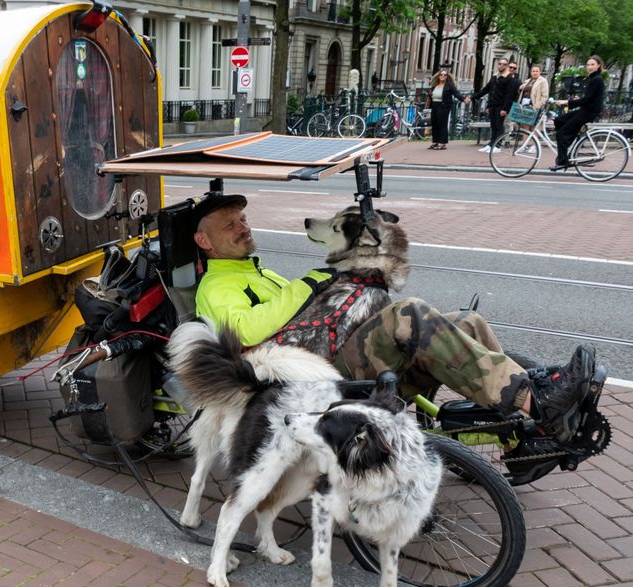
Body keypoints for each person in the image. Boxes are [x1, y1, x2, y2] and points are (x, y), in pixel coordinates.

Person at [189, 193, 598, 444]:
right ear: (203, 241)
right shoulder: (215, 288)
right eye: (229, 226)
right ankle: (536, 401)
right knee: (409, 314)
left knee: (465, 323)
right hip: (304, 380)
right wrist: (310, 284)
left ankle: (521, 430)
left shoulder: (255, 270)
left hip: (328, 352)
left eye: (242, 219)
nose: (243, 228)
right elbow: (243, 332)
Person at [551, 56, 606, 171]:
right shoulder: (593, 78)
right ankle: (570, 141)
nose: (589, 67)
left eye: (592, 64)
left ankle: (562, 162)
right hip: (586, 109)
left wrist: (567, 102)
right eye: (588, 65)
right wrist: (578, 99)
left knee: (561, 134)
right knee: (559, 120)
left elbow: (587, 100)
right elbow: (588, 98)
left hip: (589, 111)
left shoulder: (597, 80)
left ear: (598, 66)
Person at [473, 59, 521, 153]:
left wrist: (505, 109)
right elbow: (486, 90)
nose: (501, 66)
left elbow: (509, 95)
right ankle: (491, 144)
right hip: (493, 105)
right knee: (493, 125)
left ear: (506, 66)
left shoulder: (510, 78)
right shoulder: (495, 77)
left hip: (501, 106)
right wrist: (472, 97)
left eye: (504, 64)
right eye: (500, 64)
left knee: (499, 125)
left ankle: (498, 145)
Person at [425, 70, 470, 150]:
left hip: (443, 106)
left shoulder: (449, 86)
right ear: (438, 76)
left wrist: (463, 99)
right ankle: (435, 141)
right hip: (435, 106)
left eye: (445, 75)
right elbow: (432, 95)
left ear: (447, 77)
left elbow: (456, 93)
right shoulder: (435, 85)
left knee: (442, 124)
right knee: (434, 124)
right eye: (441, 75)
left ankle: (442, 143)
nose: (442, 76)